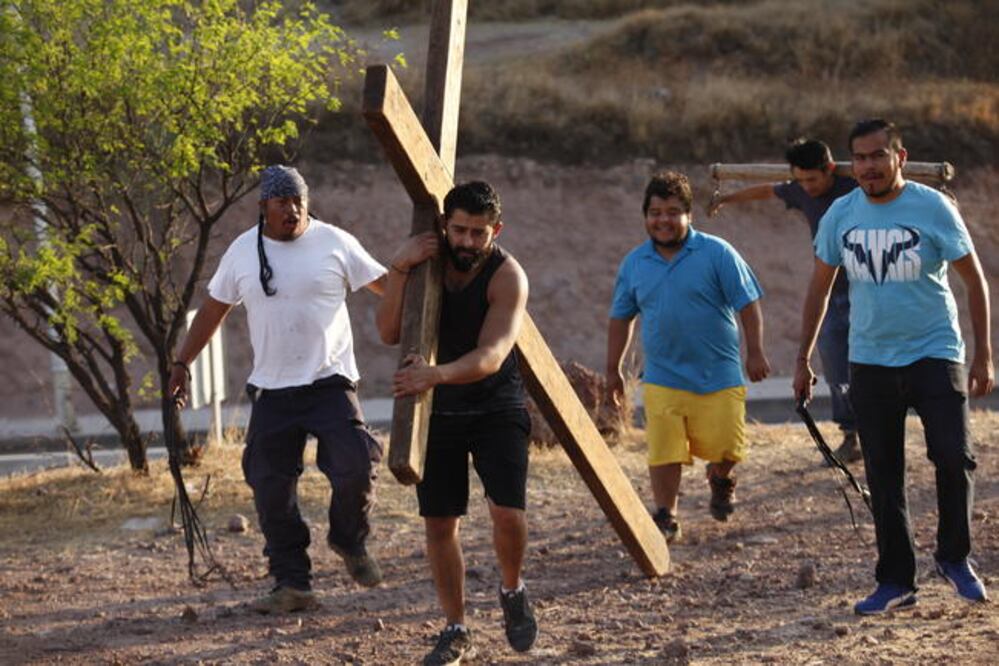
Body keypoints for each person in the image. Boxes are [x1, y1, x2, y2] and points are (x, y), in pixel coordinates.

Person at [794, 119, 993, 614]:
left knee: (954, 457)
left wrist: (985, 352)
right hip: (871, 359)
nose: (868, 167)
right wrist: (802, 358)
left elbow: (975, 281)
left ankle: (954, 557)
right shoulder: (841, 214)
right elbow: (819, 289)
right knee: (884, 474)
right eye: (859, 158)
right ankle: (896, 581)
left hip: (935, 352)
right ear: (849, 164)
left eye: (878, 156)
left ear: (899, 158)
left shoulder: (934, 207)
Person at [168, 165, 387, 614]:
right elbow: (213, 310)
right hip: (272, 390)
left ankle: (349, 539)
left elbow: (389, 287)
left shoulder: (335, 242)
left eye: (298, 202)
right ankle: (293, 583)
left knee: (357, 465)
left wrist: (413, 265)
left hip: (330, 382)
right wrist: (181, 362)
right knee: (270, 488)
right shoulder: (242, 252)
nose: (292, 210)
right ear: (263, 207)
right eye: (282, 203)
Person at [376, 181, 537, 665]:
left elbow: (490, 355)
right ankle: (456, 627)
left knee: (507, 512)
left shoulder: (508, 275)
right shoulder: (425, 262)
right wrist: (399, 267)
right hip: (439, 408)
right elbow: (387, 331)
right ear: (445, 224)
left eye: (478, 233)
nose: (467, 242)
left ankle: (512, 588)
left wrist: (434, 374)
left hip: (496, 404)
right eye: (459, 230)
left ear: (496, 230)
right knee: (440, 522)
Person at [607, 171, 770, 544]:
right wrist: (613, 369)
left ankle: (721, 478)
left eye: (673, 212)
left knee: (729, 447)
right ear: (645, 215)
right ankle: (667, 514)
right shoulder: (635, 263)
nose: (663, 220)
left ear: (689, 215)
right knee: (664, 451)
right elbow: (621, 318)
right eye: (655, 212)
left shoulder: (718, 253)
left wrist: (756, 351)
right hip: (663, 376)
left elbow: (748, 303)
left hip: (720, 374)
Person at [709, 138, 861, 463]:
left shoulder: (855, 186)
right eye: (801, 180)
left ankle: (884, 431)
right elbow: (767, 190)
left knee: (876, 362)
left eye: (813, 179)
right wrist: (727, 198)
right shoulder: (800, 191)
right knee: (835, 360)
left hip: (870, 288)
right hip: (831, 292)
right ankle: (851, 435)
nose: (807, 187)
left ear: (830, 169)